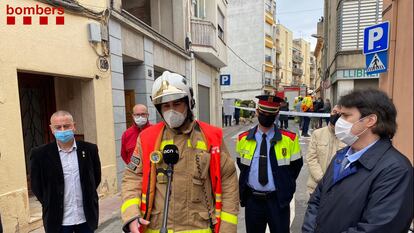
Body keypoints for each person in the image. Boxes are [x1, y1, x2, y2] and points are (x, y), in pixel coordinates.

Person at [121, 71, 239, 233]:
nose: (171, 111)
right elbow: (133, 178)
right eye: (166, 106)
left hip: (200, 227)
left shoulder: (211, 137)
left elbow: (228, 181)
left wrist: (227, 227)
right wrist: (131, 214)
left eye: (177, 104)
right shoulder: (147, 138)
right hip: (157, 227)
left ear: (188, 103)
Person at [302, 89, 413, 233]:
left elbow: (379, 227)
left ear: (370, 121)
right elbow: (316, 201)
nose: (338, 121)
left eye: (345, 115)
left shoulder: (397, 170)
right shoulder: (341, 156)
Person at [236, 95, 303, 233]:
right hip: (253, 202)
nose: (266, 116)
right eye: (263, 113)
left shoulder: (290, 139)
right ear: (257, 111)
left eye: (271, 114)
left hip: (278, 201)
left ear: (277, 114)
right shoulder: (243, 139)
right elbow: (242, 166)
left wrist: (285, 187)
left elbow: (295, 168)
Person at [30, 111, 101, 233]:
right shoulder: (39, 154)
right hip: (58, 220)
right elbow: (37, 186)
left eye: (66, 126)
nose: (63, 130)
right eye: (58, 127)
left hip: (85, 217)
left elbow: (96, 178)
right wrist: (49, 202)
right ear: (52, 129)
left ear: (74, 126)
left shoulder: (90, 149)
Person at [305, 105, 345, 194]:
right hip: (315, 188)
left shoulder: (347, 137)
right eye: (334, 112)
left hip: (337, 190)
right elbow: (311, 159)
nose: (336, 115)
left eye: (340, 113)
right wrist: (322, 180)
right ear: (330, 113)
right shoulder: (317, 134)